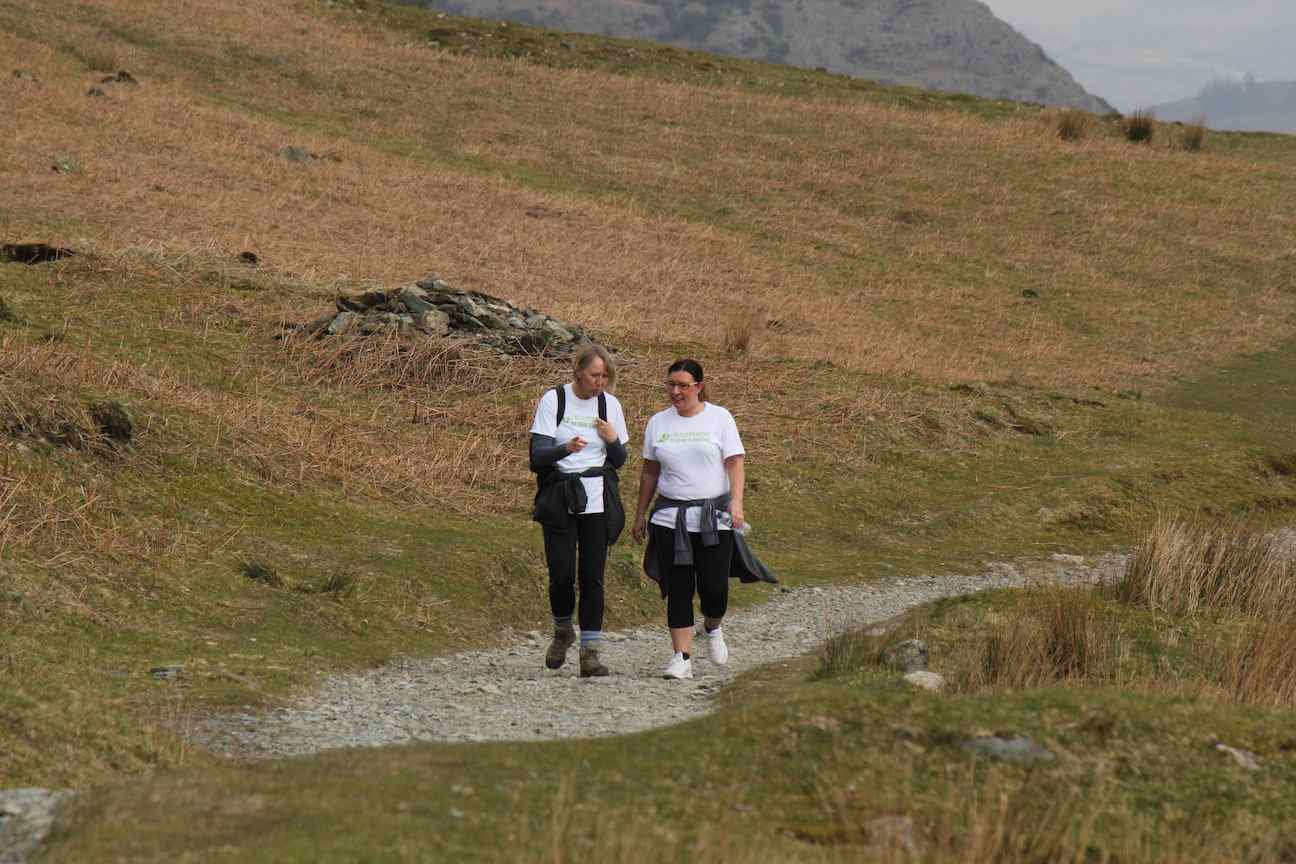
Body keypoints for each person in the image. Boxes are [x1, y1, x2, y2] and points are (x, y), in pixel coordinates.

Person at [633, 358, 774, 680]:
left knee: (714, 589)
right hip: (670, 518)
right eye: (671, 384)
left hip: (714, 518)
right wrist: (641, 513)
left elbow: (735, 463)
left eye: (683, 385)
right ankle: (681, 658)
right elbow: (650, 471)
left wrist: (736, 504)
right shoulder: (658, 423)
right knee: (679, 588)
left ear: (699, 387)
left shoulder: (719, 418)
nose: (675, 391)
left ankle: (712, 626)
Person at [529, 344, 630, 677]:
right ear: (578, 372)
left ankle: (590, 652)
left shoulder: (610, 405)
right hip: (560, 496)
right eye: (594, 375)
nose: (600, 382)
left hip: (597, 499)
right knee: (561, 575)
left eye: (605, 376)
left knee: (592, 577)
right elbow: (536, 457)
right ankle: (562, 630)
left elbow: (620, 461)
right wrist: (565, 449)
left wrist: (613, 440)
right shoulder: (554, 400)